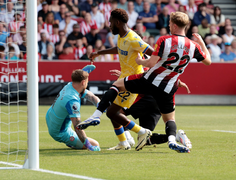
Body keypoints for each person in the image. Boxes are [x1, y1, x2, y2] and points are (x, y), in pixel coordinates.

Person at [78, 11, 211, 153]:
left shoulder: (164, 40)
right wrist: (201, 42)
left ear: (173, 25)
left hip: (148, 85)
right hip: (167, 88)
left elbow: (154, 60)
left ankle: (100, 118)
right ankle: (172, 138)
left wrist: (142, 62)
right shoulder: (193, 46)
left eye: (169, 23)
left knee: (115, 99)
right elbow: (207, 62)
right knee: (167, 120)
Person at [78, 8, 155, 150]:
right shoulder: (121, 36)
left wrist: (147, 66)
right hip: (124, 77)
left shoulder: (133, 38)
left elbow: (153, 53)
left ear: (117, 22)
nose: (109, 24)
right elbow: (119, 49)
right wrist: (99, 53)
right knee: (112, 112)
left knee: (112, 112)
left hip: (133, 81)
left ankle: (143, 132)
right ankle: (123, 142)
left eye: (111, 22)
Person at [46, 69, 100, 151]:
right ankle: (71, 142)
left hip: (50, 116)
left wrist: (101, 106)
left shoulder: (70, 85)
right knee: (95, 144)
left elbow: (92, 96)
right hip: (59, 132)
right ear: (83, 82)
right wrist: (89, 146)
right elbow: (77, 127)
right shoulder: (72, 101)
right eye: (87, 82)